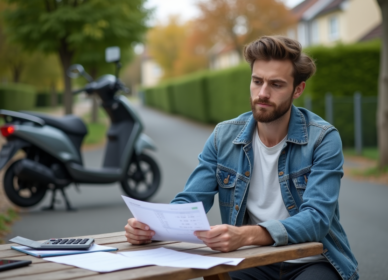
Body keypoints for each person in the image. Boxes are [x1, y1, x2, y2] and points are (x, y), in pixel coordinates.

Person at [125, 35, 359, 280]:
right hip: (253, 259)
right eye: (257, 81)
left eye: (276, 85)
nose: (263, 93)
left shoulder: (322, 139)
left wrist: (245, 235)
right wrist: (151, 227)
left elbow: (316, 220)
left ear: (298, 89)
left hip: (312, 262)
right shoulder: (223, 136)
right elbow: (191, 201)